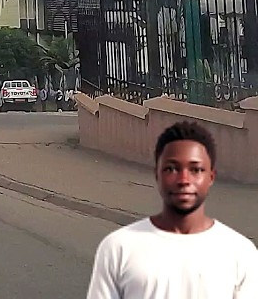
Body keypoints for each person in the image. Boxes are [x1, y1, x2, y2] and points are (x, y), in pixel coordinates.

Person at [86, 120, 258, 298]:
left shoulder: (240, 253)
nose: (184, 179)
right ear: (157, 175)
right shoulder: (118, 248)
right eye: (171, 169)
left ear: (211, 177)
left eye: (196, 169)